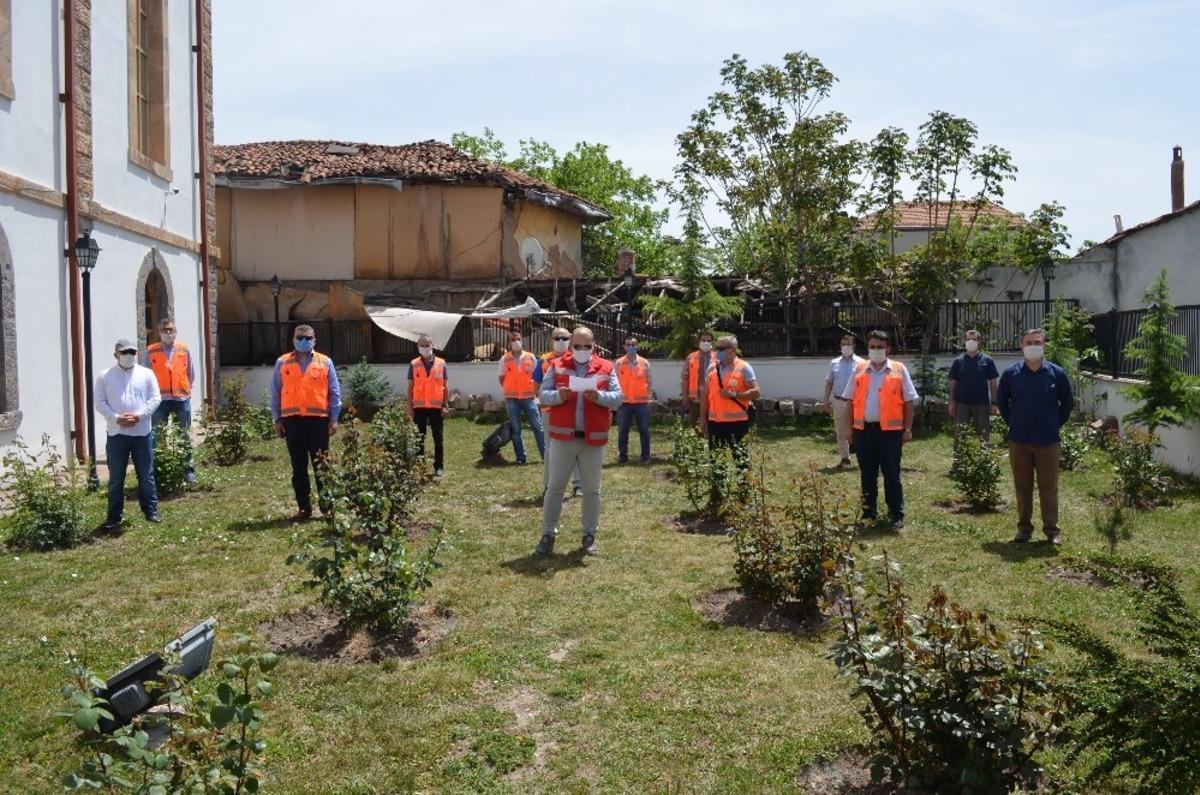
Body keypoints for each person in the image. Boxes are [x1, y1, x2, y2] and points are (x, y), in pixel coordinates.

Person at [536, 326, 623, 556]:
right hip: (563, 438)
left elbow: (618, 398)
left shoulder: (606, 367)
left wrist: (600, 397)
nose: (582, 350)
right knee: (555, 488)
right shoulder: (557, 365)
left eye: (587, 346)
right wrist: (558, 396)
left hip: (593, 440)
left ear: (594, 346)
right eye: (577, 346)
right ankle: (548, 534)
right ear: (571, 345)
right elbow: (542, 394)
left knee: (592, 490)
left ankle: (589, 535)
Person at [997, 328, 1073, 545]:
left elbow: (1067, 403)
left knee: (1049, 487)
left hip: (1047, 441)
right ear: (1021, 345)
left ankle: (1052, 531)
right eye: (1029, 342)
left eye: (1037, 342)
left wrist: (1054, 424)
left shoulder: (1056, 373)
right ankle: (1024, 529)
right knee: (1022, 487)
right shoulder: (1012, 374)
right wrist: (1013, 422)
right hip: (1019, 440)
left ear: (1044, 345)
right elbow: (1002, 402)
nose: (1033, 346)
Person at [842, 330, 918, 531]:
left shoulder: (899, 369)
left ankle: (896, 515)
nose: (876, 350)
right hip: (863, 431)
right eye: (873, 347)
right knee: (867, 475)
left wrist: (907, 429)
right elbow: (850, 401)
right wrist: (849, 429)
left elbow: (909, 402)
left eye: (880, 347)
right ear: (868, 348)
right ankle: (868, 514)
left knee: (891, 474)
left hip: (890, 433)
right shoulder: (859, 369)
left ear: (888, 349)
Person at [270, 324, 342, 521]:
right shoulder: (282, 362)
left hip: (318, 422)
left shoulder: (325, 362)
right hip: (292, 422)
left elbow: (334, 392)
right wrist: (277, 419)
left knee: (322, 466)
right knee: (298, 467)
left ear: (314, 340)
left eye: (307, 338)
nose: (304, 341)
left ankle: (327, 507)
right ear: (293, 339)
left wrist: (334, 419)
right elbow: (275, 393)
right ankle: (304, 508)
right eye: (300, 337)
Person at [96, 338, 161, 529]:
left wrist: (139, 416)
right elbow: (99, 401)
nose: (129, 355)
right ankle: (114, 516)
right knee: (116, 477)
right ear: (116, 354)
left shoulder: (147, 374)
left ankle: (151, 511)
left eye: (132, 352)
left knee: (146, 474)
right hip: (117, 433)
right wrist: (116, 417)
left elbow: (155, 398)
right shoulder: (105, 375)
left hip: (141, 432)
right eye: (124, 352)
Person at [145, 317, 197, 484]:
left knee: (184, 436)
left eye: (171, 330)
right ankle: (158, 470)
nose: (169, 333)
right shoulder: (151, 351)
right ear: (159, 332)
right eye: (165, 330)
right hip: (159, 401)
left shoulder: (184, 349)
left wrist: (185, 390)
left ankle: (188, 471)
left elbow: (191, 374)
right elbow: (145, 376)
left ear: (176, 332)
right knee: (157, 436)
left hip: (181, 399)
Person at [535, 327, 580, 497]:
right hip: (550, 411)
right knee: (550, 450)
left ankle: (578, 485)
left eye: (565, 337)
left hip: (574, 410)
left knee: (578, 446)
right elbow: (536, 387)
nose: (561, 340)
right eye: (558, 337)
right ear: (551, 340)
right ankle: (549, 486)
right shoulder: (544, 360)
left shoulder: (577, 359)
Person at [699, 335, 761, 450]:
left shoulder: (744, 367)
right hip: (715, 422)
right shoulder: (712, 368)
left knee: (740, 461)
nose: (717, 351)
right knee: (716, 463)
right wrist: (703, 419)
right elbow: (705, 395)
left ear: (732, 349)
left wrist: (734, 394)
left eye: (721, 348)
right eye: (717, 347)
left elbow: (757, 392)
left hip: (737, 423)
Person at [497, 330, 545, 465]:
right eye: (512, 340)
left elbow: (537, 377)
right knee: (516, 429)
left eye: (517, 338)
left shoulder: (530, 357)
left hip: (529, 397)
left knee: (538, 427)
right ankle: (521, 458)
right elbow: (501, 378)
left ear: (522, 340)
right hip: (511, 398)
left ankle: (545, 455)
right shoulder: (504, 359)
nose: (515, 342)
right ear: (509, 343)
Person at [821, 334, 865, 467]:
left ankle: (864, 458)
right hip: (838, 401)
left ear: (854, 346)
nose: (846, 347)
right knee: (841, 430)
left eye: (848, 344)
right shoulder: (834, 363)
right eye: (843, 344)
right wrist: (825, 399)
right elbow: (829, 382)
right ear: (840, 346)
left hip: (857, 402)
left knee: (860, 430)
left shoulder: (862, 363)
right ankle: (845, 458)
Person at [407, 334, 447, 477]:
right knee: (419, 438)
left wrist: (445, 405)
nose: (425, 348)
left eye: (427, 344)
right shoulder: (413, 364)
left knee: (438, 437)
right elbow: (410, 387)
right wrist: (409, 407)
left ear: (432, 344)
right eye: (422, 345)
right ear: (418, 347)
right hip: (419, 407)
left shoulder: (441, 363)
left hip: (436, 407)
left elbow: (445, 386)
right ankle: (420, 467)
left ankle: (439, 466)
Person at [948, 329, 1000, 440]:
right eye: (968, 339)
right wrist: (951, 401)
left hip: (982, 404)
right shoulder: (958, 361)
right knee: (960, 434)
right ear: (964, 341)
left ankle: (985, 456)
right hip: (961, 404)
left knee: (984, 434)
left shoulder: (987, 360)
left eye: (974, 339)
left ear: (979, 341)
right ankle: (960, 456)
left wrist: (994, 402)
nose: (971, 341)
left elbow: (993, 382)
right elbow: (953, 382)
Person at [616, 336, 653, 464]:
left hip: (641, 403)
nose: (631, 347)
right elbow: (615, 383)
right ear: (624, 347)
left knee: (644, 430)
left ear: (637, 346)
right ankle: (623, 456)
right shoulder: (619, 363)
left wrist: (647, 398)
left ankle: (645, 457)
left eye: (633, 344)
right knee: (623, 431)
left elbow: (649, 382)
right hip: (624, 403)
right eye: (628, 345)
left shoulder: (644, 363)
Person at [681, 331, 716, 425]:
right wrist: (685, 397)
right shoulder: (691, 357)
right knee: (695, 426)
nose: (706, 343)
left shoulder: (717, 358)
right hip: (695, 399)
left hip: (712, 399)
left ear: (712, 342)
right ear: (698, 342)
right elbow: (685, 378)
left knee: (712, 426)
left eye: (708, 341)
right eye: (703, 340)